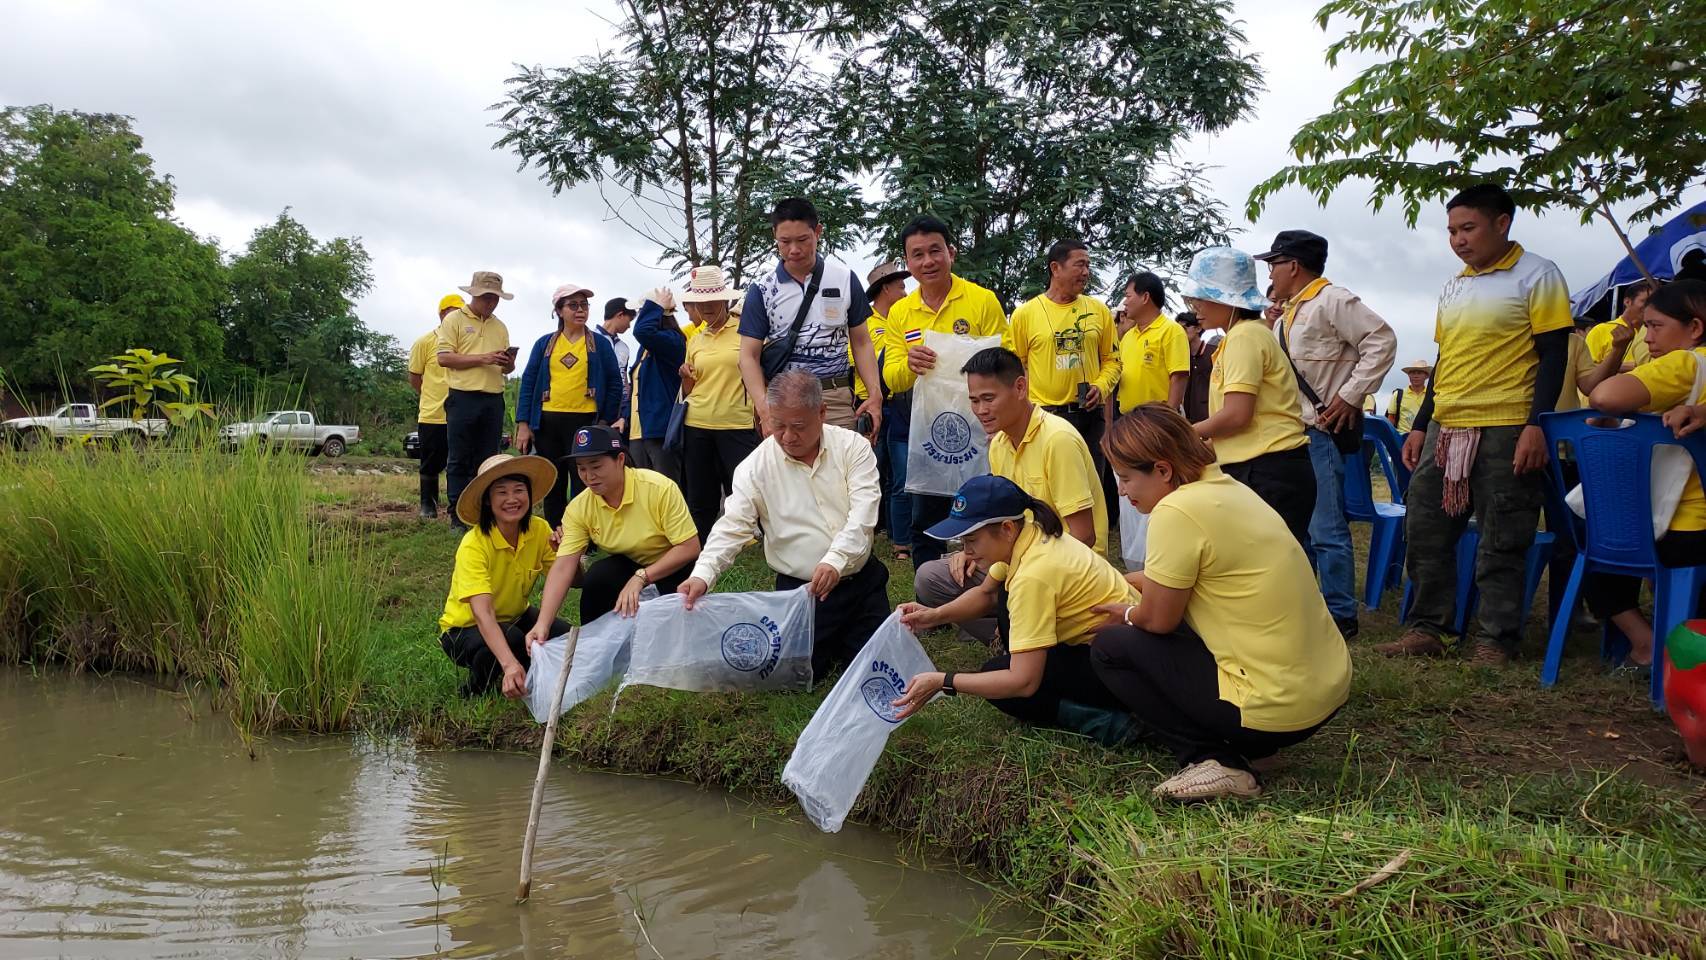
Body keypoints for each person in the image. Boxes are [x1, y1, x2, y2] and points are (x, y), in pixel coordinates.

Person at [1087, 406, 1351, 801]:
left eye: (1126, 478)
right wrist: (1128, 583)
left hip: (1275, 708)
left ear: (1162, 470)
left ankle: (1219, 760)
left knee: (1111, 647)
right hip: (1326, 690)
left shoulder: (1175, 510)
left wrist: (1124, 612)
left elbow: (1157, 620)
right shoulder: (1228, 489)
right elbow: (1196, 578)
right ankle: (1258, 748)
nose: (1123, 492)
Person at [1376, 184, 1573, 665]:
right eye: (1451, 231)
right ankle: (1430, 629)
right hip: (1447, 424)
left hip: (1507, 423)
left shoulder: (1538, 275)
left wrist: (1536, 425)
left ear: (1502, 223)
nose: (1458, 240)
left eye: (1468, 228)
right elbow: (1446, 361)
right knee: (1425, 527)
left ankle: (1495, 639)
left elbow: (1553, 356)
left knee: (1503, 535)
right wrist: (1422, 424)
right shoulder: (1455, 285)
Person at [890, 476, 1139, 745]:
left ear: (1007, 528)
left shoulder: (1033, 575)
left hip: (1122, 669)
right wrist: (933, 615)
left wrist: (944, 681)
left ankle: (1110, 723)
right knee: (1002, 602)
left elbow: (1023, 682)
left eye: (972, 540)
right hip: (1121, 651)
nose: (966, 551)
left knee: (1002, 684)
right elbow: (985, 594)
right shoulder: (1030, 534)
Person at [679, 371, 888, 678]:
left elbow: (863, 514)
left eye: (799, 427)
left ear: (822, 413)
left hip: (861, 581)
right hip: (802, 594)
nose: (788, 437)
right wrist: (703, 574)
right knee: (796, 676)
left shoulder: (853, 447)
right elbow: (732, 526)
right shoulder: (755, 467)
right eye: (778, 426)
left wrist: (835, 561)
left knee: (876, 670)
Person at [914, 347, 1108, 645]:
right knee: (931, 578)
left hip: (1063, 571)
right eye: (974, 401)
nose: (980, 410)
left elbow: (1083, 537)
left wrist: (1009, 575)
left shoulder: (1058, 440)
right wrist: (972, 549)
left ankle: (1015, 630)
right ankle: (1005, 630)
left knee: (999, 595)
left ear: (1020, 387)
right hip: (1019, 559)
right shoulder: (999, 445)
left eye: (989, 399)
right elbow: (1000, 518)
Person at [1256, 229, 1397, 638]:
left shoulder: (1333, 300)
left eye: (1274, 263)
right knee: (1296, 526)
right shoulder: (1289, 311)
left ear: (1293, 265)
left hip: (1320, 430)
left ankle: (1340, 615)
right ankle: (1306, 605)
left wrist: (1351, 396)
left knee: (1327, 527)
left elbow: (1381, 339)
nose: (1270, 272)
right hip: (1292, 433)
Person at [1583, 279, 1706, 665]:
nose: (1646, 335)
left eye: (1655, 326)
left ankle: (1645, 645)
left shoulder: (1687, 362)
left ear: (1694, 328)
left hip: (1677, 526)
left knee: (1596, 565)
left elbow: (1604, 397)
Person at [881, 216, 1009, 567]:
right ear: (907, 263)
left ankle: (992, 596)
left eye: (935, 251)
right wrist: (909, 364)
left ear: (951, 252)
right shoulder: (901, 313)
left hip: (981, 427)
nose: (928, 261)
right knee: (926, 519)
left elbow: (1006, 359)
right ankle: (929, 597)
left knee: (989, 513)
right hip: (927, 433)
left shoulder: (982, 301)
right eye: (917, 254)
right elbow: (891, 379)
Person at [1182, 248, 1316, 548]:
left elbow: (1236, 415)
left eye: (1202, 298)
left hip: (1267, 470)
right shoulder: (1240, 336)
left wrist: (1182, 434)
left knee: (1268, 568)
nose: (1196, 307)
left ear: (1228, 298)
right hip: (1258, 467)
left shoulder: (1245, 337)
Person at [526, 425, 702, 634]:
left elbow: (690, 547)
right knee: (598, 577)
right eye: (581, 468)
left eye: (596, 466)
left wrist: (641, 577)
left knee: (671, 626)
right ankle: (595, 645)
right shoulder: (580, 506)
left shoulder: (659, 488)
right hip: (629, 562)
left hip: (673, 564)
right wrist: (543, 624)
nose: (589, 476)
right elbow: (564, 566)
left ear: (619, 460)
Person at [738, 197, 883, 434]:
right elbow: (748, 356)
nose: (794, 249)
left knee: (839, 467)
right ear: (774, 235)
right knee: (786, 471)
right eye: (784, 241)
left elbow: (862, 342)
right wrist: (764, 410)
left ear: (818, 232)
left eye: (803, 240)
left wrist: (875, 396)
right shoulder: (762, 289)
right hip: (782, 401)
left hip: (834, 399)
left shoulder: (845, 278)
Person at [437, 453, 565, 698]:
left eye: (519, 490)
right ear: (487, 500)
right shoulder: (474, 544)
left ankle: (525, 675)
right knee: (512, 643)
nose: (512, 499)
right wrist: (509, 664)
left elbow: (572, 580)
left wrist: (567, 553)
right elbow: (482, 612)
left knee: (565, 641)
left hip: (517, 614)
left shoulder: (539, 529)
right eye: (502, 492)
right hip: (464, 628)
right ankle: (475, 690)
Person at [1007, 239, 1120, 493]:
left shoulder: (1098, 311)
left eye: (1088, 266)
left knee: (1089, 486)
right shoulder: (1025, 314)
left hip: (1090, 416)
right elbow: (1014, 370)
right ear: (1055, 268)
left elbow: (1113, 362)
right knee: (1046, 488)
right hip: (1044, 416)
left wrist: (1100, 388)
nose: (1085, 272)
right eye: (1079, 265)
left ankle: (1090, 534)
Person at [516, 283, 624, 527]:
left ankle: (585, 535)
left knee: (584, 480)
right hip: (547, 421)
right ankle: (555, 534)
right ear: (559, 310)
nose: (580, 310)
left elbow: (615, 384)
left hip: (585, 421)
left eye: (584, 305)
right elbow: (529, 383)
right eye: (573, 305)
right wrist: (524, 423)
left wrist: (605, 421)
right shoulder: (545, 344)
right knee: (552, 479)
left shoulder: (599, 344)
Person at [1108, 271, 1188, 571]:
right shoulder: (1129, 337)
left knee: (1158, 491)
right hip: (1128, 423)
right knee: (1130, 494)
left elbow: (1178, 376)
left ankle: (1159, 562)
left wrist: (1167, 423)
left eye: (1128, 295)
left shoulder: (1170, 331)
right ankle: (1135, 563)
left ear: (1145, 297)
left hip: (1158, 425)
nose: (1124, 302)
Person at [678, 265, 762, 543]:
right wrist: (685, 378)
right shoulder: (694, 339)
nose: (707, 307)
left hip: (736, 421)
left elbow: (761, 371)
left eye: (713, 300)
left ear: (725, 299)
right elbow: (689, 389)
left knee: (742, 487)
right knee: (701, 492)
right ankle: (699, 542)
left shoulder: (746, 331)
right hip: (697, 422)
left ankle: (745, 535)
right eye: (700, 303)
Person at [436, 271, 518, 530]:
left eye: (495, 298)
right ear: (474, 294)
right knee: (459, 457)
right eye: (486, 297)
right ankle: (457, 515)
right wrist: (483, 358)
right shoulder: (455, 320)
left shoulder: (500, 326)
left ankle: (484, 513)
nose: (491, 303)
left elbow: (506, 370)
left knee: (488, 458)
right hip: (463, 397)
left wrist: (508, 362)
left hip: (493, 398)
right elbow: (444, 358)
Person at [863, 259, 911, 559]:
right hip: (870, 406)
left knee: (900, 475)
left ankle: (899, 537)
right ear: (885, 289)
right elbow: (869, 364)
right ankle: (867, 532)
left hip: (900, 404)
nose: (905, 292)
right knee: (871, 474)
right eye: (901, 286)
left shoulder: (902, 321)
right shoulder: (865, 324)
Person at [408, 293, 463, 519]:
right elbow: (415, 377)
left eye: (460, 312)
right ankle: (428, 505)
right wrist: (429, 395)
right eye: (451, 312)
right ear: (442, 314)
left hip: (462, 413)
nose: (455, 317)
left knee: (459, 463)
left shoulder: (466, 342)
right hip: (433, 414)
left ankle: (458, 507)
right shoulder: (425, 342)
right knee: (431, 462)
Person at [627, 289, 688, 482]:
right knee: (641, 492)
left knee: (665, 489)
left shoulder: (672, 340)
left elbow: (642, 330)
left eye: (643, 312)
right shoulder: (645, 348)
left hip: (661, 429)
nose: (639, 317)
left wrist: (656, 307)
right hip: (639, 431)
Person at [1585, 279, 1659, 373]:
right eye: (1645, 301)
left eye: (1654, 302)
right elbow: (1588, 369)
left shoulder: (1656, 331)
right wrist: (1634, 366)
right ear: (1627, 302)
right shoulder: (1601, 330)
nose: (1650, 306)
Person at [600, 296, 637, 417]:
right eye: (629, 320)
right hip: (597, 405)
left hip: (619, 408)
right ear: (620, 315)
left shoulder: (624, 347)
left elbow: (624, 376)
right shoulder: (590, 339)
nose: (629, 326)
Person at [1180, 312, 1213, 424]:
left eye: (1184, 327)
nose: (1180, 332)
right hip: (1187, 420)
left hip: (1211, 418)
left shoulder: (1214, 353)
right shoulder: (1180, 357)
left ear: (1198, 328)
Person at [1388, 360, 1431, 431]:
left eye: (1419, 373)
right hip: (1402, 437)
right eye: (1413, 373)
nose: (1416, 376)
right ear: (1408, 375)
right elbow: (1391, 417)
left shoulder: (1431, 396)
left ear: (1426, 376)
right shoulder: (1398, 394)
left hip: (1423, 437)